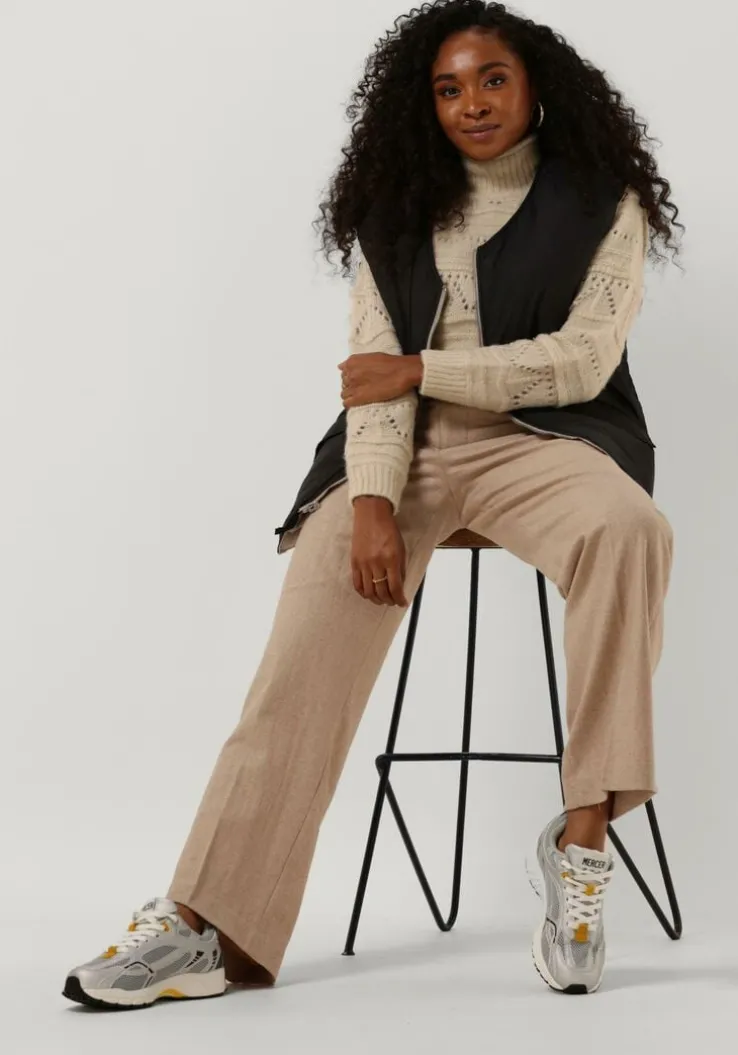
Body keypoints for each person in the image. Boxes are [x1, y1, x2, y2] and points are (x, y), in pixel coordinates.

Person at [63, 0, 682, 1008]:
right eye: (448, 88)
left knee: (631, 529)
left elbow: (580, 360)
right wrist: (371, 503)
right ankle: (207, 922)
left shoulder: (603, 200)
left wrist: (422, 368)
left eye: (492, 80)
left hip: (550, 441)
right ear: (423, 104)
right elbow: (371, 381)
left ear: (536, 87)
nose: (472, 103)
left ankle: (580, 843)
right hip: (404, 448)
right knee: (302, 654)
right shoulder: (394, 209)